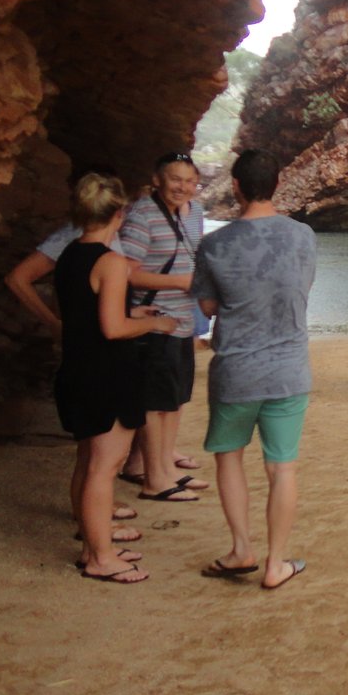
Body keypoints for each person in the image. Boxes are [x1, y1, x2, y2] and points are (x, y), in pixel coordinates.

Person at [192, 149, 317, 590]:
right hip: (288, 370)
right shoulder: (303, 236)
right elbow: (300, 288)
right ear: (277, 185)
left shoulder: (213, 244)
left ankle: (241, 548)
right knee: (282, 467)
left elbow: (206, 306)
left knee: (230, 458)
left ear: (238, 187)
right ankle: (276, 563)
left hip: (236, 371)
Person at [4, 166, 142, 539]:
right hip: (99, 361)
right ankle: (96, 539)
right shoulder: (79, 245)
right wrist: (56, 324)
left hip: (85, 359)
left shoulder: (77, 251)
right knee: (101, 459)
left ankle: (94, 517)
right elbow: (19, 278)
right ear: (118, 211)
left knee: (91, 454)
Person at [54, 172, 177, 583]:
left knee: (88, 461)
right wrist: (153, 325)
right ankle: (100, 559)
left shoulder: (71, 254)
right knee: (104, 468)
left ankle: (94, 544)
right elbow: (112, 329)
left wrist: (133, 314)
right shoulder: (110, 262)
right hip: (106, 375)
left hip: (77, 369)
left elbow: (88, 315)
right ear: (120, 214)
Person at [119, 151, 209, 502]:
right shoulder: (143, 214)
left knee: (174, 399)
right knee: (155, 403)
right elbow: (125, 271)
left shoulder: (194, 212)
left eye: (189, 182)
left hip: (183, 320)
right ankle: (153, 477)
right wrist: (180, 283)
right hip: (155, 321)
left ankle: (166, 469)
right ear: (157, 180)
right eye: (175, 180)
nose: (182, 188)